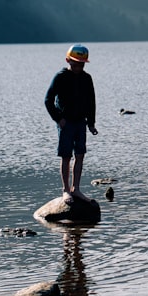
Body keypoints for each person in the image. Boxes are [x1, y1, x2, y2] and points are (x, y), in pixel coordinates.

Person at [44, 44, 98, 203]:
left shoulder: (87, 78)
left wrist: (91, 123)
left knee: (80, 155)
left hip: (81, 122)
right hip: (66, 123)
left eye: (81, 64)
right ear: (68, 60)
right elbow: (48, 100)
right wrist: (58, 119)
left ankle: (76, 189)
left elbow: (91, 102)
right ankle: (66, 190)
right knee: (66, 156)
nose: (78, 66)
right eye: (75, 63)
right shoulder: (60, 77)